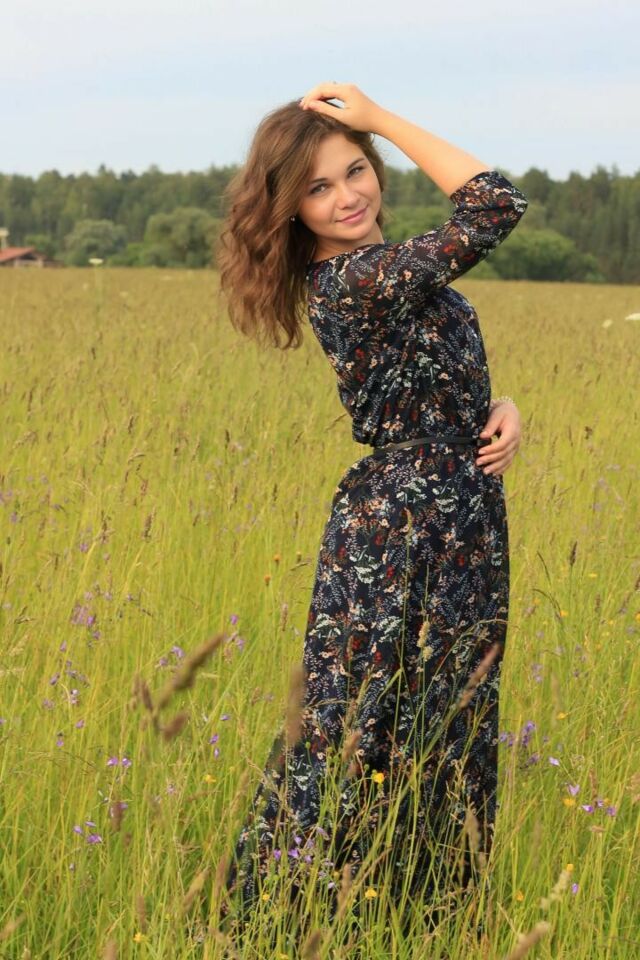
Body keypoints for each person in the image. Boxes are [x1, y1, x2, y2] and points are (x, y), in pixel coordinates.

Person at [216, 82, 528, 938]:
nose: (347, 196)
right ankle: (276, 922)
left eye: (356, 170)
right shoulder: (353, 279)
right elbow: (495, 203)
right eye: (318, 188)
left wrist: (498, 408)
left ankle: (419, 920)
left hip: (460, 516)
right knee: (355, 723)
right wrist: (379, 117)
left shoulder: (392, 271)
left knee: (447, 717)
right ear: (291, 210)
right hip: (399, 528)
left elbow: (427, 378)